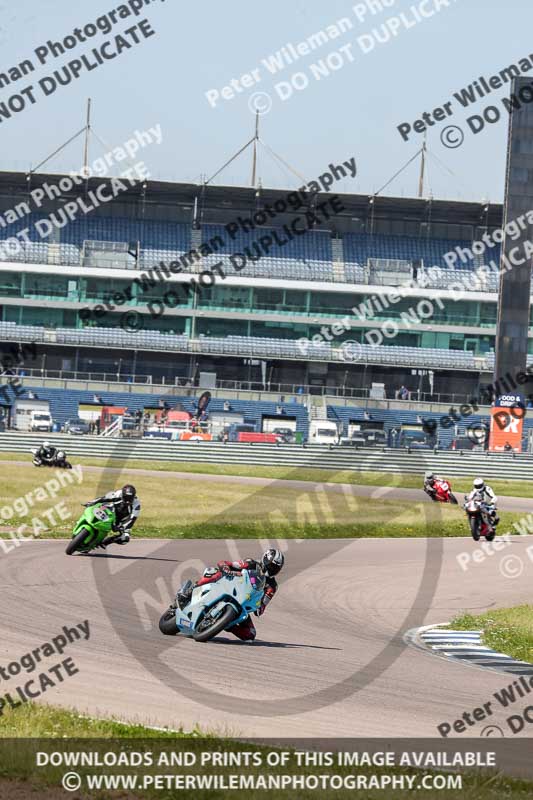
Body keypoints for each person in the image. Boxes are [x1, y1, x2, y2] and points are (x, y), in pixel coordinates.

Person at [176, 549, 285, 641]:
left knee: (251, 634)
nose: (273, 569)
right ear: (265, 559)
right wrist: (226, 568)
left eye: (276, 568)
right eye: (272, 566)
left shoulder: (273, 586)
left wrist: (259, 608)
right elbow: (228, 563)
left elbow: (263, 604)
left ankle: (226, 623)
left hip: (243, 603)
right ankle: (189, 591)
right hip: (230, 586)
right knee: (216, 573)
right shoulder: (251, 563)